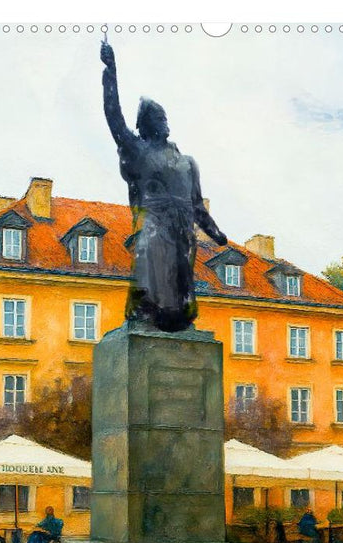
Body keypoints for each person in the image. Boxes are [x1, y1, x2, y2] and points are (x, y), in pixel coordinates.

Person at [100, 39, 228, 332]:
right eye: (158, 117)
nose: (165, 121)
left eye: (165, 116)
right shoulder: (138, 150)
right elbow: (114, 116)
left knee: (181, 287)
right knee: (149, 267)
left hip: (182, 229)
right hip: (154, 221)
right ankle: (144, 311)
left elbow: (197, 205)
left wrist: (217, 234)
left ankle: (176, 321)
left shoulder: (187, 162)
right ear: (145, 124)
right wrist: (111, 71)